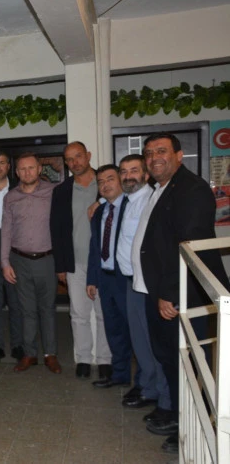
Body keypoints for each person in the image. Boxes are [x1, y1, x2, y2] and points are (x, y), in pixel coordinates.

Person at [134, 133, 229, 452]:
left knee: (188, 365)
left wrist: (170, 293)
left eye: (161, 151)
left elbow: (189, 245)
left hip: (178, 296)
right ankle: (178, 416)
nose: (153, 158)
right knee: (170, 360)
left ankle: (196, 428)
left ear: (179, 155)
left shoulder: (192, 189)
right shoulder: (162, 188)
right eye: (149, 153)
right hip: (157, 291)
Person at [114, 155, 170, 414]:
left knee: (153, 343)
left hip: (148, 285)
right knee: (141, 342)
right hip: (132, 282)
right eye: (124, 172)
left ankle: (163, 397)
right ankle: (149, 387)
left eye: (134, 170)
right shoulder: (129, 200)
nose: (128, 176)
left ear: (146, 174)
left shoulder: (151, 200)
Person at [51, 141, 111, 379]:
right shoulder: (61, 191)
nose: (74, 162)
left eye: (78, 156)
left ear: (88, 155)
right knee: (78, 314)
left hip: (105, 262)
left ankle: (105, 359)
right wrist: (60, 266)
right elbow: (56, 230)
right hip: (74, 262)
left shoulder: (106, 183)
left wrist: (102, 200)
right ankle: (84, 358)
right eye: (69, 159)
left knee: (104, 313)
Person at [1, 153, 61, 374]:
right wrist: (5, 262)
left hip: (47, 260)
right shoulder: (10, 197)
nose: (27, 172)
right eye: (22, 169)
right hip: (19, 261)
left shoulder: (54, 192)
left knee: (47, 309)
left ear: (39, 169)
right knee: (26, 310)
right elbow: (6, 231)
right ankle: (30, 354)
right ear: (17, 172)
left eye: (31, 168)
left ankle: (50, 354)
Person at [85, 165, 133, 390]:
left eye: (110, 179)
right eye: (101, 182)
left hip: (127, 280)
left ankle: (144, 383)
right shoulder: (99, 212)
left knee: (135, 331)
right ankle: (120, 374)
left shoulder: (132, 206)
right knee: (114, 330)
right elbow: (95, 247)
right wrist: (92, 279)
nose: (105, 185)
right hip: (105, 279)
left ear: (121, 180)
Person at [0, 149, 24, 363]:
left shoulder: (20, 190)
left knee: (17, 303)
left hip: (15, 256)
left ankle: (18, 345)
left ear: (9, 167)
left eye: (2, 163)